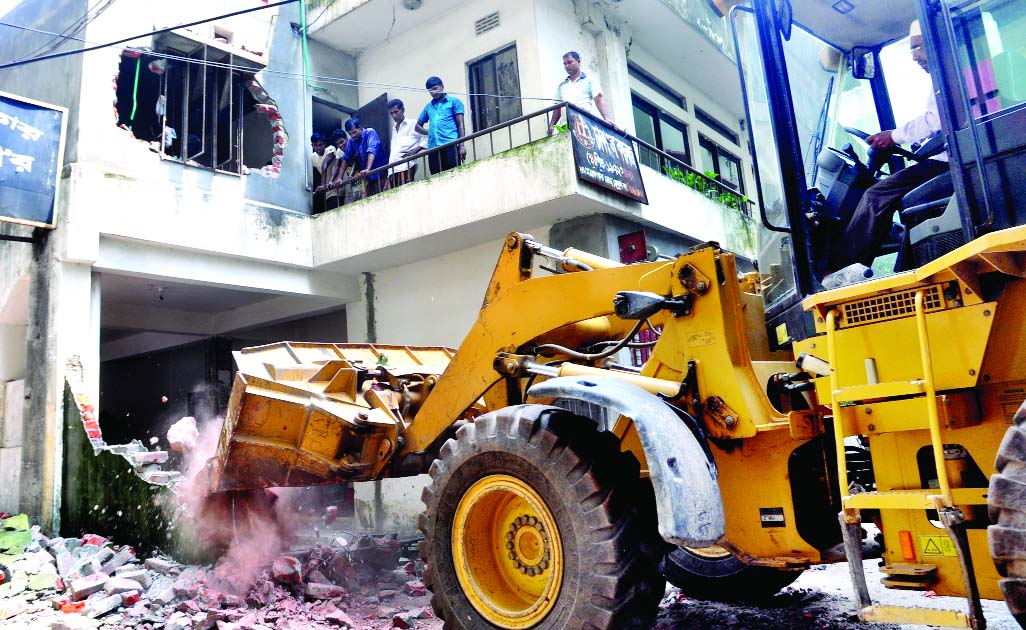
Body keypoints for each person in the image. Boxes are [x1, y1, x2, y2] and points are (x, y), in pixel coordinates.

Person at [833, 19, 949, 271]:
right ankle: (906, 270)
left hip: (950, 163)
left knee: (875, 195)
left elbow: (935, 121)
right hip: (950, 158)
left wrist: (893, 137)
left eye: (918, 47)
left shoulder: (949, 76)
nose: (915, 57)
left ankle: (843, 272)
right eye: (912, 50)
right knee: (909, 207)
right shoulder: (945, 78)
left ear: (936, 41)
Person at [547, 51, 616, 134]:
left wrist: (606, 118)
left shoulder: (590, 81)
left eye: (569, 62)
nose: (567, 66)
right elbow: (557, 107)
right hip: (565, 127)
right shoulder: (562, 85)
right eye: (564, 64)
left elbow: (598, 100)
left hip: (584, 125)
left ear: (579, 61)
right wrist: (552, 124)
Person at [416, 77, 466, 175]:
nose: (433, 92)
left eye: (435, 88)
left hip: (450, 146)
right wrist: (430, 132)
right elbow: (417, 126)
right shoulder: (428, 107)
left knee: (453, 175)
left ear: (442, 86)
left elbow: (460, 124)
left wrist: (462, 146)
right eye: (430, 91)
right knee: (436, 179)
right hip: (433, 149)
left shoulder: (454, 102)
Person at [338, 118, 389, 198]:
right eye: (350, 134)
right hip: (369, 177)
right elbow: (346, 159)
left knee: (385, 197)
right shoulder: (351, 141)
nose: (353, 135)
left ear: (360, 127)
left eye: (354, 132)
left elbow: (372, 150)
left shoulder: (370, 132)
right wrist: (339, 178)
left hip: (382, 172)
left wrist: (368, 169)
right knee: (369, 200)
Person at [387, 98, 427, 188]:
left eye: (396, 112)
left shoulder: (413, 124)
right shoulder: (394, 128)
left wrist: (416, 151)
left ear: (403, 110)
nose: (394, 115)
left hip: (406, 167)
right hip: (392, 170)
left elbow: (429, 137)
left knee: (407, 192)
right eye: (391, 113)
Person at [318, 129, 349, 211]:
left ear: (346, 138)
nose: (340, 145)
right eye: (338, 144)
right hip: (350, 179)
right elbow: (337, 166)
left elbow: (355, 162)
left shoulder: (352, 145)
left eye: (342, 142)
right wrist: (331, 181)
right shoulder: (339, 151)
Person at [310, 132, 333, 213]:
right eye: (315, 145)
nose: (318, 148)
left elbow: (324, 165)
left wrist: (322, 184)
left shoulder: (330, 149)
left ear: (325, 144)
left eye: (320, 145)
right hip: (326, 190)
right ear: (312, 146)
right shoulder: (313, 157)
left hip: (334, 185)